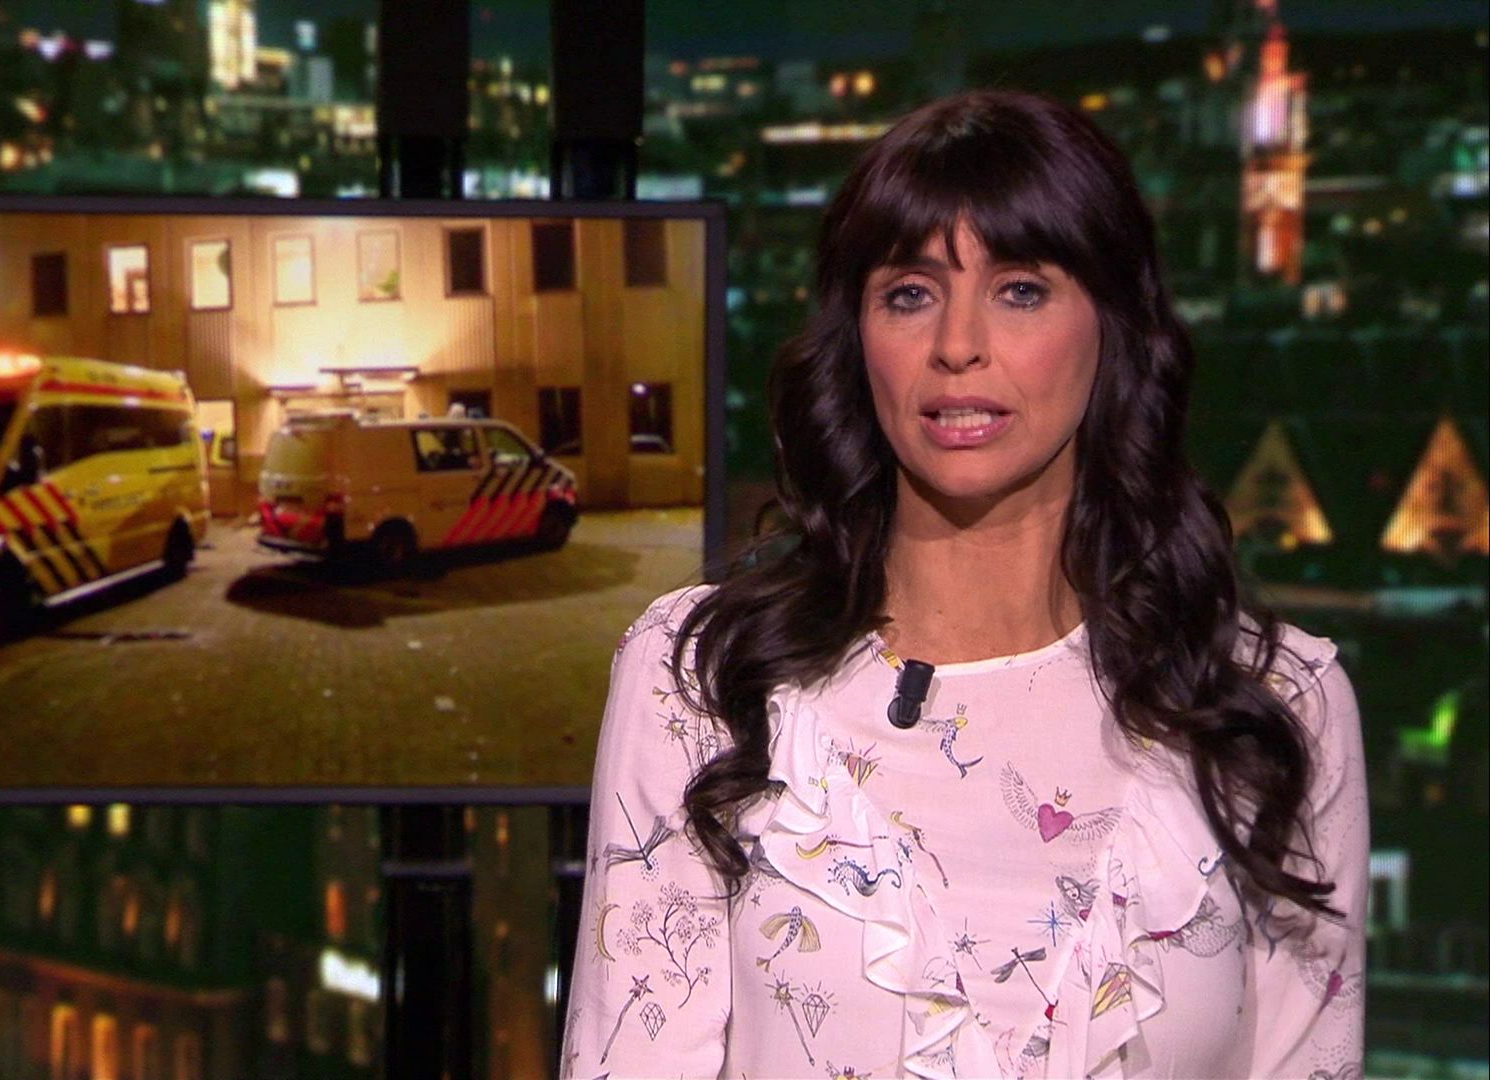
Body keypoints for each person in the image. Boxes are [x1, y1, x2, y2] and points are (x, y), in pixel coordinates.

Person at [560, 89, 1367, 1080]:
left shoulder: (1273, 708)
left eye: (1020, 289)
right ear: (858, 334)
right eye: (910, 293)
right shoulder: (705, 681)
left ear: (1113, 325)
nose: (956, 345)